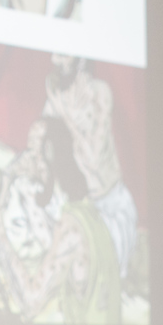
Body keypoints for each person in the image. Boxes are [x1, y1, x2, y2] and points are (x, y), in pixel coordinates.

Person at [0, 117, 121, 324]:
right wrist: (12, 176)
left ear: (49, 152)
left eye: (32, 151)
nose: (26, 159)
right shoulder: (84, 212)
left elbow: (30, 303)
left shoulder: (72, 225)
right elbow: (51, 247)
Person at [43, 54, 138, 277]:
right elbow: (40, 141)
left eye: (63, 55)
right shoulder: (57, 100)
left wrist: (68, 118)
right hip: (85, 208)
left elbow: (93, 159)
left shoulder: (99, 93)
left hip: (113, 208)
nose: (56, 59)